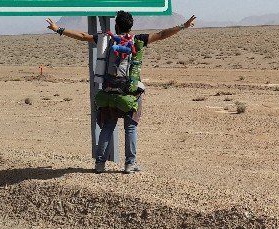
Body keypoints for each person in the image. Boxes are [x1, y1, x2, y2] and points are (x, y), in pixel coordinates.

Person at [45, 11, 196, 173]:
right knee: (130, 128)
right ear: (131, 26)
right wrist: (183, 26)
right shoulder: (138, 40)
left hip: (110, 90)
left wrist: (58, 29)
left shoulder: (106, 39)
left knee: (108, 126)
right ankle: (130, 164)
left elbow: (82, 36)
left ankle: (100, 164)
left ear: (116, 26)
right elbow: (162, 34)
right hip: (131, 92)